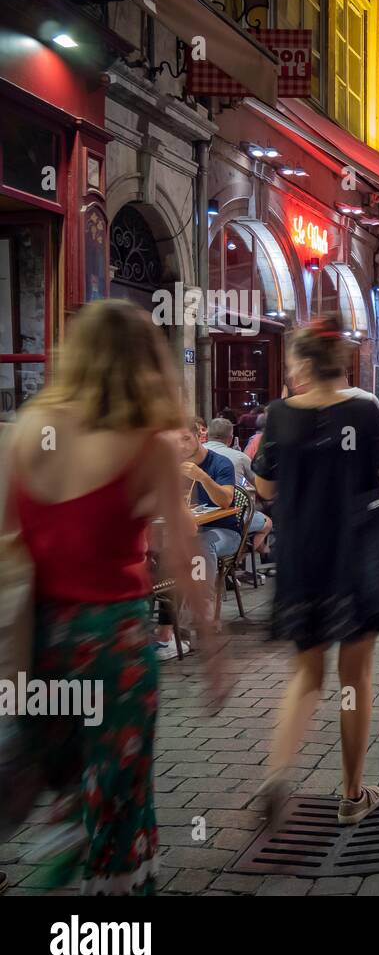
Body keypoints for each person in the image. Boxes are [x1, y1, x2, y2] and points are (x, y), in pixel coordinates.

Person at [4, 299, 224, 894]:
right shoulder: (144, 444)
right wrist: (211, 646)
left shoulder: (26, 432)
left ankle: (72, 836)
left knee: (73, 771)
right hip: (116, 644)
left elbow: (6, 546)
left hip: (45, 639)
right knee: (119, 782)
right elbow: (185, 553)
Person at [251, 316, 379, 827]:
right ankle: (352, 795)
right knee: (355, 678)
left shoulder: (279, 416)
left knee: (306, 676)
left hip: (300, 559)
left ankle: (277, 772)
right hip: (356, 563)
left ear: (306, 365)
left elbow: (264, 491)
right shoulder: (363, 410)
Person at [173, 418, 241, 619]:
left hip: (226, 532)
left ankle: (201, 606)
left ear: (199, 436)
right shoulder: (173, 467)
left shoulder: (220, 463)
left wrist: (202, 477)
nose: (181, 446)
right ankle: (168, 622)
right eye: (176, 441)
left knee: (200, 544)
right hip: (185, 531)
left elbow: (226, 502)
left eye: (186, 439)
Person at [206, 416, 272, 555]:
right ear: (230, 439)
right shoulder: (239, 457)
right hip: (231, 516)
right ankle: (241, 558)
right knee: (267, 522)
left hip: (201, 518)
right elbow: (260, 487)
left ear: (206, 434)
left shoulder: (197, 455)